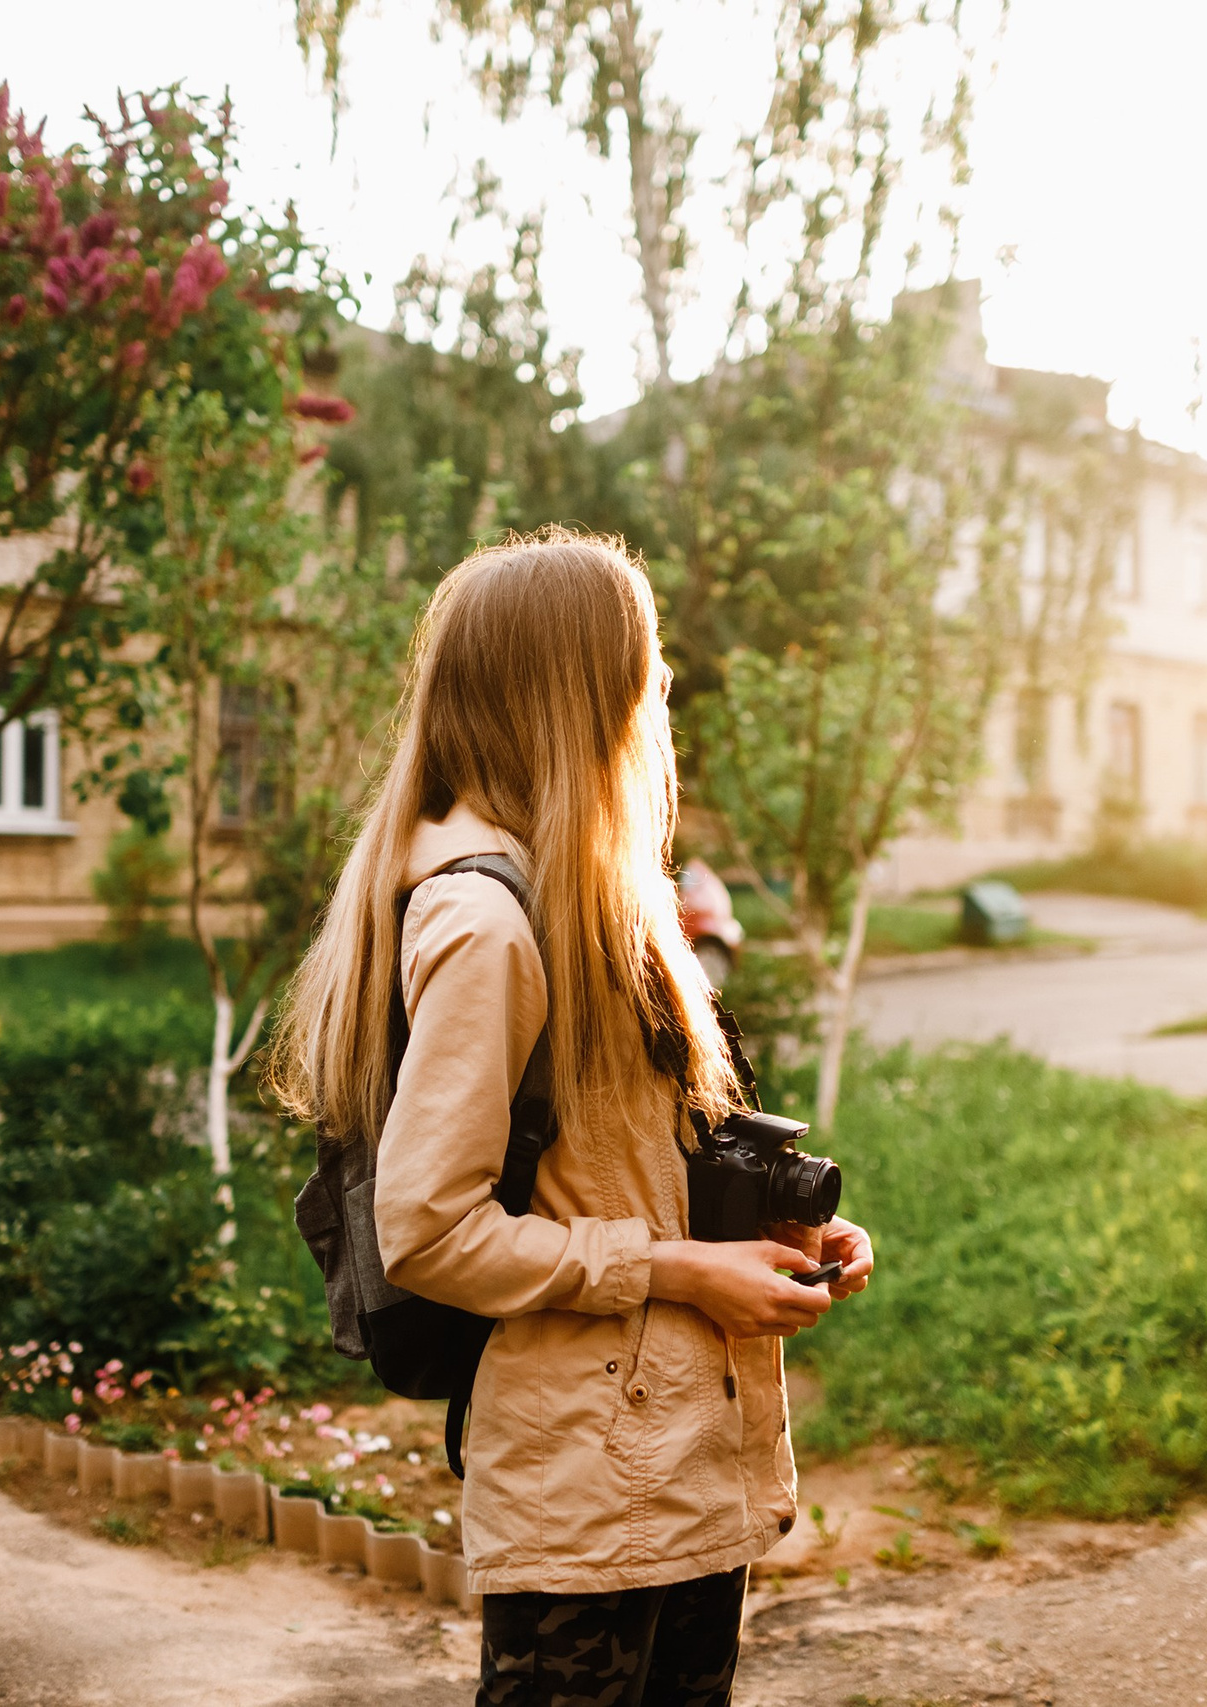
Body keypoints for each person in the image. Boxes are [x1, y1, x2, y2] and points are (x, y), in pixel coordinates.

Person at [270, 529, 874, 1706]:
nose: (656, 698)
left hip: (669, 1462)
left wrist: (774, 1240)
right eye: (641, 671)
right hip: (586, 1482)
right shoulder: (487, 923)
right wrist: (684, 1276)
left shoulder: (585, 891)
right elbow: (429, 1230)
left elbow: (612, 1171)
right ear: (574, 692)